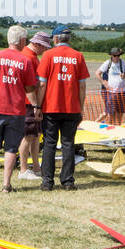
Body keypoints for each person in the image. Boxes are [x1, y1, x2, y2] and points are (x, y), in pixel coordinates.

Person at [0, 25, 38, 193]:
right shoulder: (25, 60)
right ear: (22, 41)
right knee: (11, 148)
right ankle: (6, 185)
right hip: (17, 111)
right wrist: (36, 106)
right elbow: (29, 88)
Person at [37, 29, 90, 190]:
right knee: (68, 144)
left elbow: (42, 84)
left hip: (51, 107)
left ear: (55, 38)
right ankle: (67, 181)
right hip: (72, 108)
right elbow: (82, 86)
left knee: (49, 144)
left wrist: (38, 106)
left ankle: (47, 182)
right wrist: (80, 108)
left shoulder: (48, 55)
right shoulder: (78, 56)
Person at [18, 31, 52, 180]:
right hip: (29, 103)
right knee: (28, 136)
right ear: (37, 44)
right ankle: (24, 169)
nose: (45, 50)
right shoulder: (29, 58)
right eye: (44, 47)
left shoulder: (30, 56)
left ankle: (36, 167)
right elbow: (30, 84)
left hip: (31, 102)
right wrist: (36, 105)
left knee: (35, 135)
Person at [97, 48, 125, 122]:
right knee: (111, 113)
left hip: (121, 91)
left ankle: (119, 127)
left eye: (118, 55)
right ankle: (111, 126)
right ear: (111, 55)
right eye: (115, 56)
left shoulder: (122, 62)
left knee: (121, 112)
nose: (117, 57)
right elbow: (97, 73)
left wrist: (124, 75)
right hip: (112, 92)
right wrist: (104, 83)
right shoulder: (108, 63)